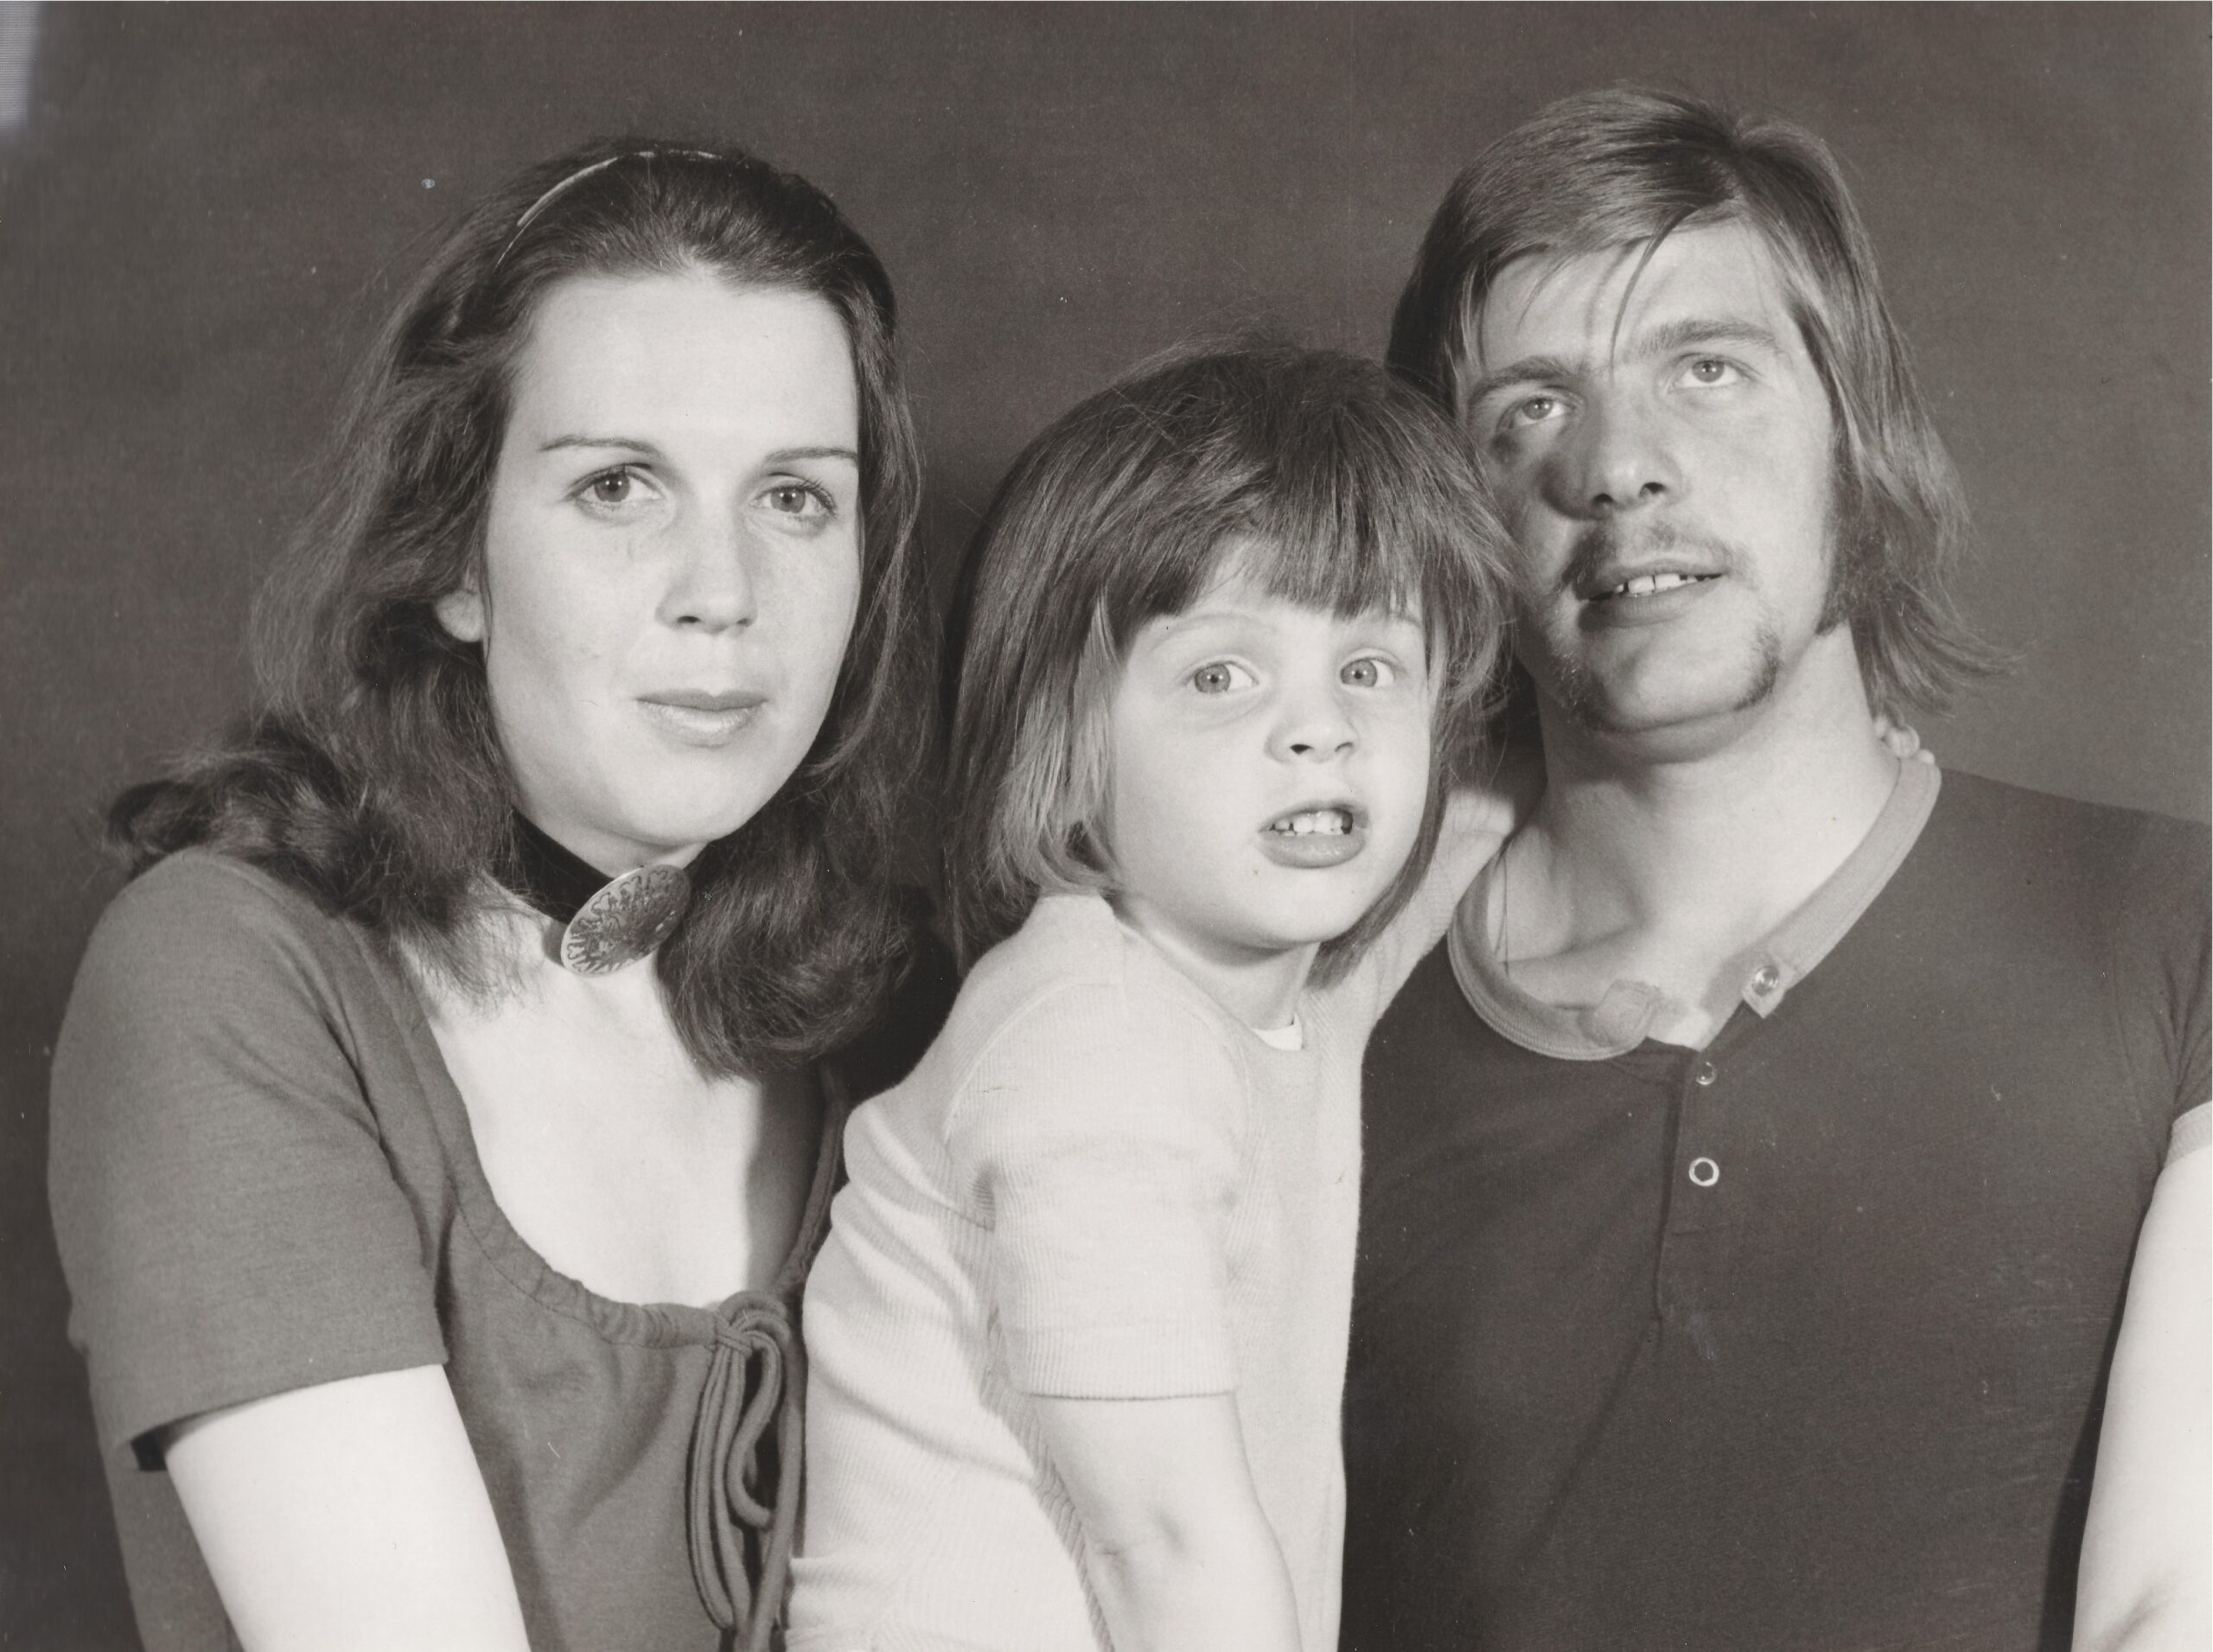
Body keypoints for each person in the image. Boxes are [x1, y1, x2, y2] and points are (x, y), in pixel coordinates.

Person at [1340, 87, 2210, 1652]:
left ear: (1854, 435)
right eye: (1526, 410)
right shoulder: (1325, 1008)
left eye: (1709, 369)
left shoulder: (2174, 934)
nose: (1619, 468)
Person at [48, 141, 944, 1652]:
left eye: (796, 497)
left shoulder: (903, 1012)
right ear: (456, 557)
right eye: (617, 488)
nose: (723, 592)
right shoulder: (231, 975)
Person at [788, 343, 1515, 1652]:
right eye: (1222, 677)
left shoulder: (1276, 994)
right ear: (1066, 753)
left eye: (1369, 668)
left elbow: (1459, 832)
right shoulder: (1091, 1042)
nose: (1320, 730)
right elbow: (1165, 1539)